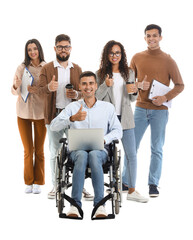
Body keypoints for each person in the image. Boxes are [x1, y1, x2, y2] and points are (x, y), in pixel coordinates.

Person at [50, 71, 122, 218]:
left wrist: (104, 139)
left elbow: (118, 131)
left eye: (91, 83)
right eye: (84, 84)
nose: (88, 87)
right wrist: (71, 118)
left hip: (100, 150)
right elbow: (53, 126)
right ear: (80, 87)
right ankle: (75, 205)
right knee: (82, 155)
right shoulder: (72, 107)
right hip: (77, 151)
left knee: (94, 154)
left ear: (96, 86)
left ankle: (100, 204)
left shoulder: (107, 107)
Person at [130, 24, 184, 197]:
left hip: (160, 111)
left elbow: (180, 85)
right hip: (140, 108)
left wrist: (164, 98)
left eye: (154, 35)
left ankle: (153, 184)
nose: (151, 38)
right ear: (144, 38)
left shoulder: (168, 60)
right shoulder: (137, 57)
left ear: (161, 37)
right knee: (132, 147)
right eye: (148, 35)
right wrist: (138, 85)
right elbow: (128, 85)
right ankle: (126, 182)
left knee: (157, 148)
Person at [36, 34, 92, 200]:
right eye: (60, 47)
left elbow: (85, 92)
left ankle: (79, 186)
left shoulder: (77, 69)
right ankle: (55, 185)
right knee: (54, 151)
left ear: (70, 48)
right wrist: (48, 87)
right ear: (55, 48)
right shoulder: (46, 69)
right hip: (54, 115)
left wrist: (76, 94)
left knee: (78, 150)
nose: (63, 50)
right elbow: (39, 92)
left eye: (66, 47)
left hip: (74, 115)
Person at [96, 40, 149, 203]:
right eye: (111, 53)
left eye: (117, 53)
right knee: (106, 154)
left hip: (125, 118)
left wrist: (136, 90)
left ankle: (132, 190)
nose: (114, 56)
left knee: (131, 154)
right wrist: (105, 85)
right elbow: (95, 97)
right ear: (107, 55)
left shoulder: (129, 72)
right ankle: (108, 187)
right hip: (107, 120)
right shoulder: (99, 74)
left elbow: (132, 98)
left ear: (122, 55)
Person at [11, 39, 46, 194]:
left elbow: (50, 90)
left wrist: (37, 89)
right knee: (27, 150)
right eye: (29, 49)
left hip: (40, 113)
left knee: (39, 149)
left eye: (35, 49)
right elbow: (13, 91)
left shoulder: (47, 67)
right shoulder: (21, 67)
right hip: (23, 113)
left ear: (39, 50)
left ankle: (39, 181)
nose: (32, 52)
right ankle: (29, 181)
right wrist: (16, 86)